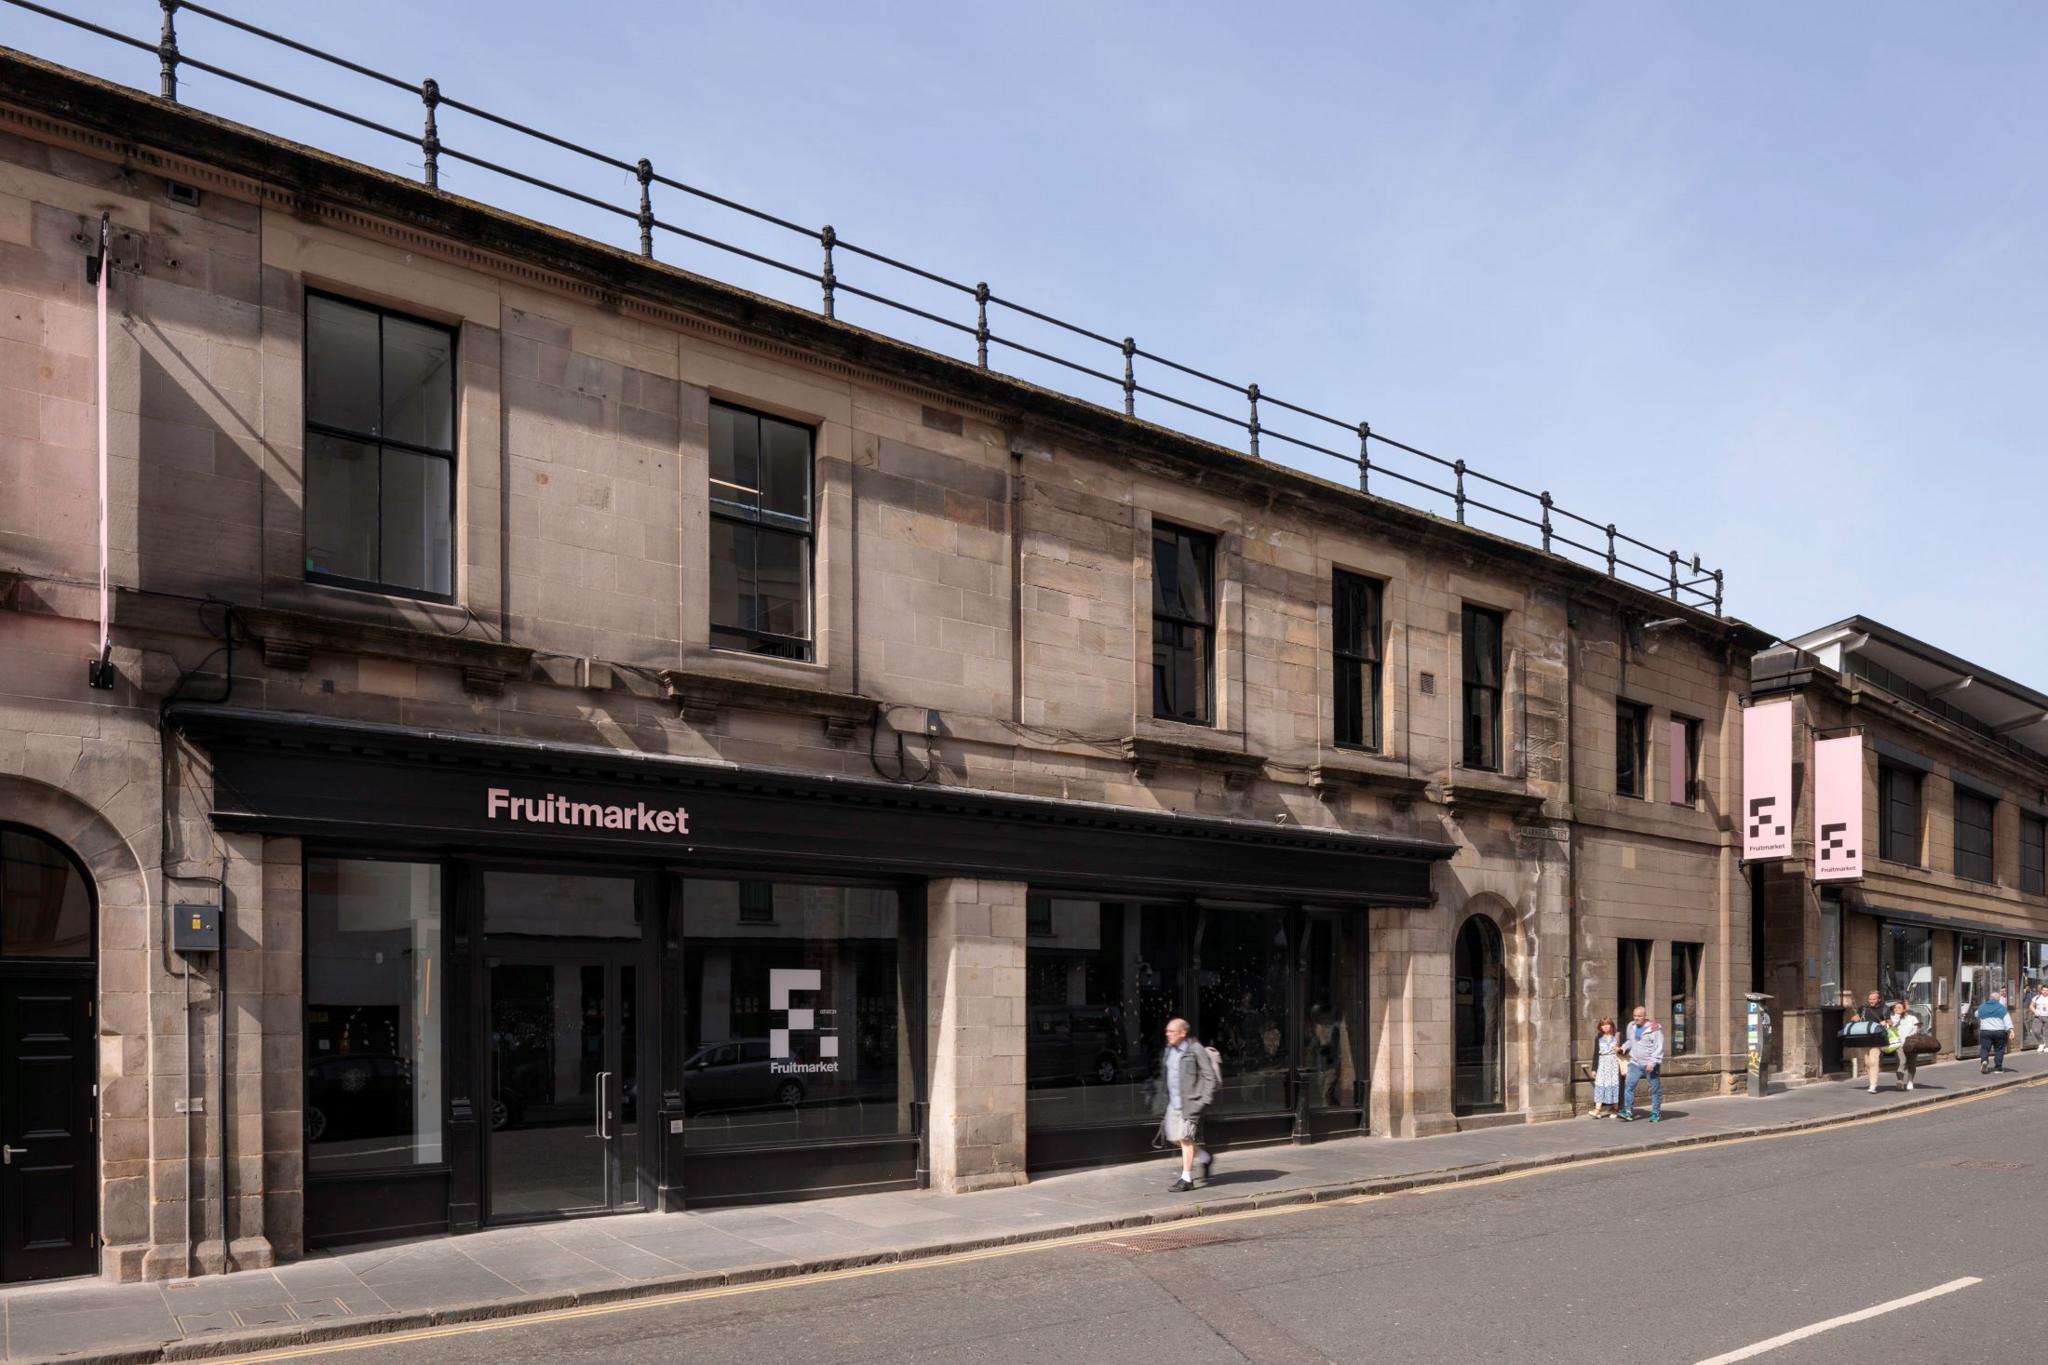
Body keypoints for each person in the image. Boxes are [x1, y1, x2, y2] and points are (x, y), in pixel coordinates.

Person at [1151, 1017, 1220, 1192]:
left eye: (1172, 1031)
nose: (1168, 1034)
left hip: (1191, 1103)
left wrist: (1203, 1100)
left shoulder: (1195, 1049)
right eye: (1167, 1031)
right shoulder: (1169, 1050)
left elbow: (1209, 1076)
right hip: (1173, 1103)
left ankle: (1186, 1178)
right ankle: (1205, 1157)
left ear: (1183, 1032)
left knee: (1185, 1138)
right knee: (1174, 1138)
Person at [1618, 1014, 1665, 1122]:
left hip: (1650, 1064)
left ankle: (1656, 1113)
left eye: (1639, 1016)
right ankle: (1628, 1111)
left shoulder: (1655, 1028)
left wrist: (1652, 1063)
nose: (1636, 1018)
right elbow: (1630, 1041)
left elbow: (1659, 1046)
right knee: (1629, 1087)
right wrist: (1623, 1048)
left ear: (1645, 1016)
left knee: (1655, 1089)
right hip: (1635, 1063)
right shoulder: (1631, 1026)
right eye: (1634, 1015)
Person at [1852, 991, 1887, 1093]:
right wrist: (1855, 1018)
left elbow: (1890, 1022)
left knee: (1873, 1060)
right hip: (1866, 1038)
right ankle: (1871, 1082)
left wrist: (1885, 1022)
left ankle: (1873, 1085)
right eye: (1870, 999)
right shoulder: (1863, 1009)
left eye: (1874, 999)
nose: (1871, 1001)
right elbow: (1857, 1018)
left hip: (1877, 1038)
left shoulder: (1884, 1009)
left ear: (1878, 999)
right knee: (1867, 1063)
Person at [1589, 1016, 1622, 1117]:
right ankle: (1597, 1109)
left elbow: (1625, 1049)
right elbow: (1595, 1054)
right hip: (1602, 1063)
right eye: (1603, 1025)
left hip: (1613, 1063)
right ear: (1600, 1027)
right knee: (1600, 1084)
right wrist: (1594, 1069)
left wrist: (1619, 1049)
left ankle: (1616, 1108)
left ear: (1611, 1025)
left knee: (1613, 1085)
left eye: (1607, 1024)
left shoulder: (1617, 1036)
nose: (1605, 1027)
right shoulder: (1598, 1037)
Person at [1887, 1000, 1921, 1091]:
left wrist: (1917, 1030)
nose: (1896, 1009)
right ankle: (1900, 1081)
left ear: (1904, 1009)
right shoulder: (1892, 1018)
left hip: (1911, 1044)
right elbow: (1890, 1027)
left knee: (1911, 1063)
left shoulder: (1912, 1018)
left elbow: (1917, 1029)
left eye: (1899, 1008)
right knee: (1901, 1062)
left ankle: (1910, 1081)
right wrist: (1897, 1017)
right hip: (1899, 1044)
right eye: (1895, 1008)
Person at [1977, 990, 2013, 1073]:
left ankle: (1984, 1061)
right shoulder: (2002, 1008)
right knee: (1999, 1049)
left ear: (1990, 998)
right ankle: (1998, 1068)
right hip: (1999, 1032)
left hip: (1985, 1031)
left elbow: (1977, 1014)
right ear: (1998, 999)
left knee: (1985, 1048)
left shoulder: (1982, 1007)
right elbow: (2007, 1021)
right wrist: (2011, 1031)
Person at [2028, 984, 2048, 1054]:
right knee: (2035, 1031)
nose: (2045, 992)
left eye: (2047, 990)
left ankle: (2046, 1046)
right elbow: (2031, 1006)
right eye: (2044, 990)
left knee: (2046, 1033)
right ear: (2041, 991)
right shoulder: (2036, 997)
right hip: (2038, 1017)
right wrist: (2035, 1011)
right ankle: (2041, 1043)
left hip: (2047, 1017)